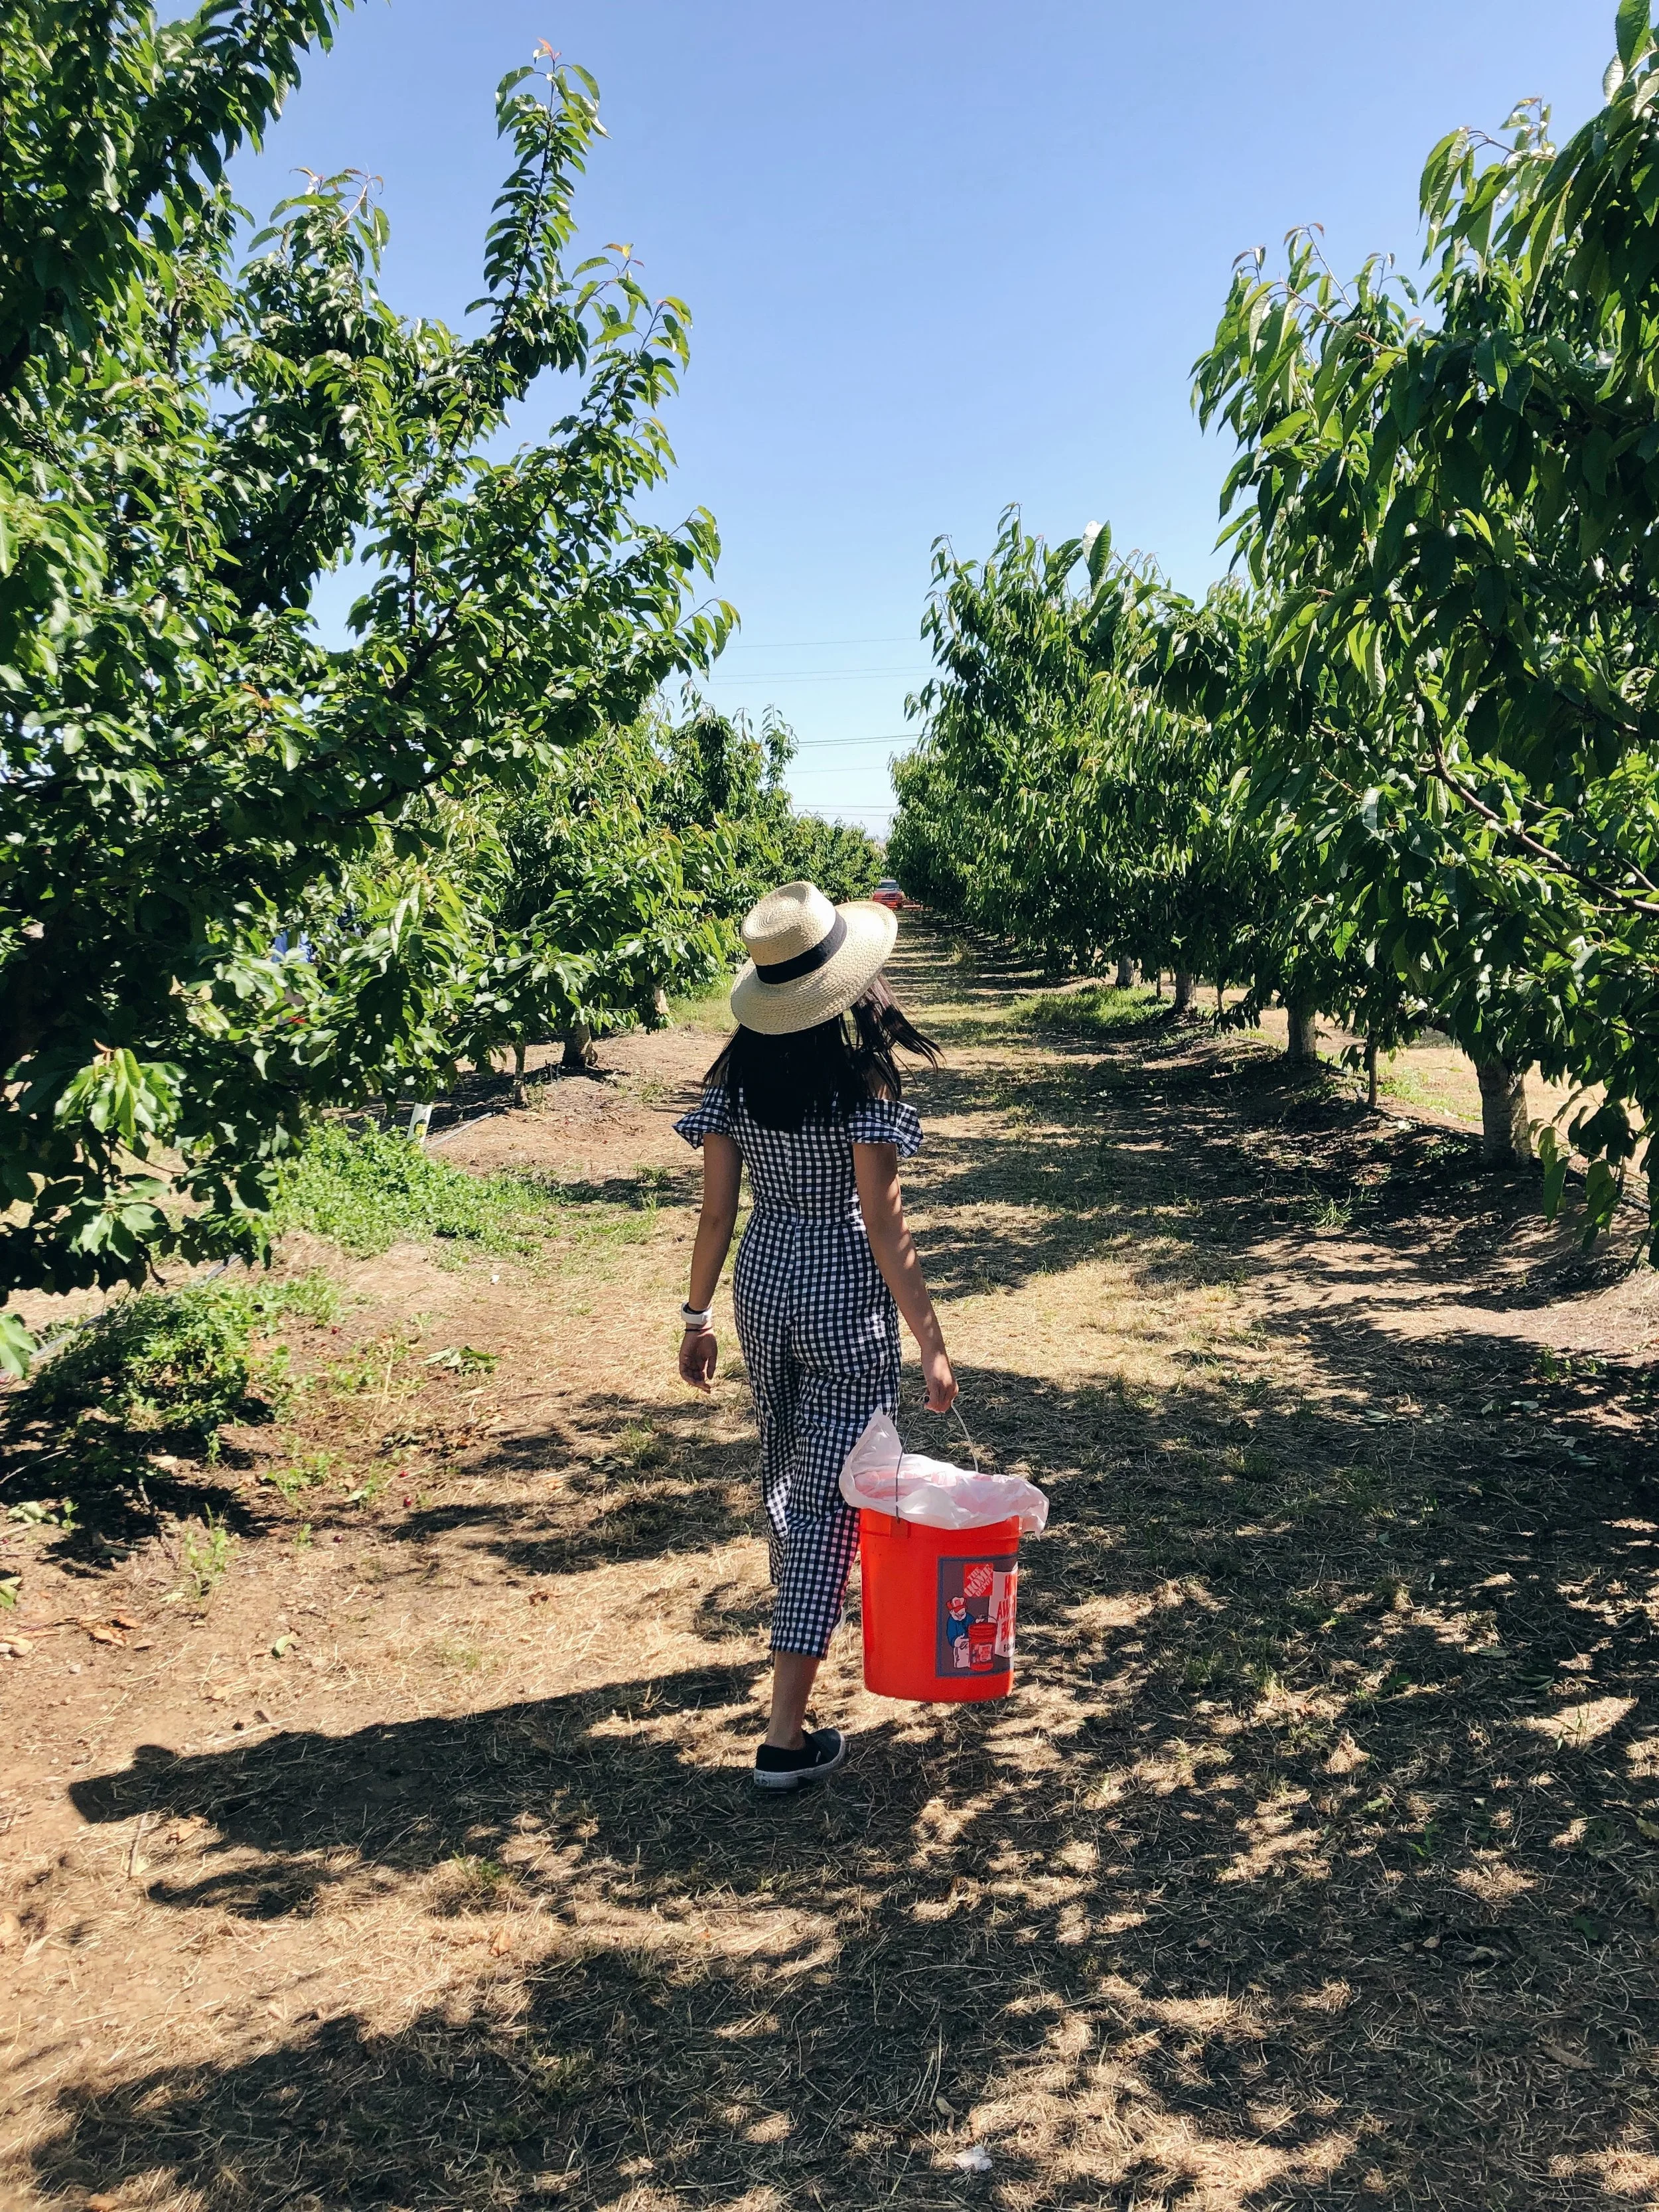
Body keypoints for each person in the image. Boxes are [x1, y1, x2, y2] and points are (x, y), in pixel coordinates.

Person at [674, 879, 958, 1792]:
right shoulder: (858, 1080)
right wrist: (930, 1340)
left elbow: (716, 1215)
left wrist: (696, 1317)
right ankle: (784, 1737)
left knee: (787, 1472)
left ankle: (794, 1632)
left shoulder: (734, 1079)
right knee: (834, 1502)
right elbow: (883, 1221)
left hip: (764, 1283)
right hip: (842, 1292)